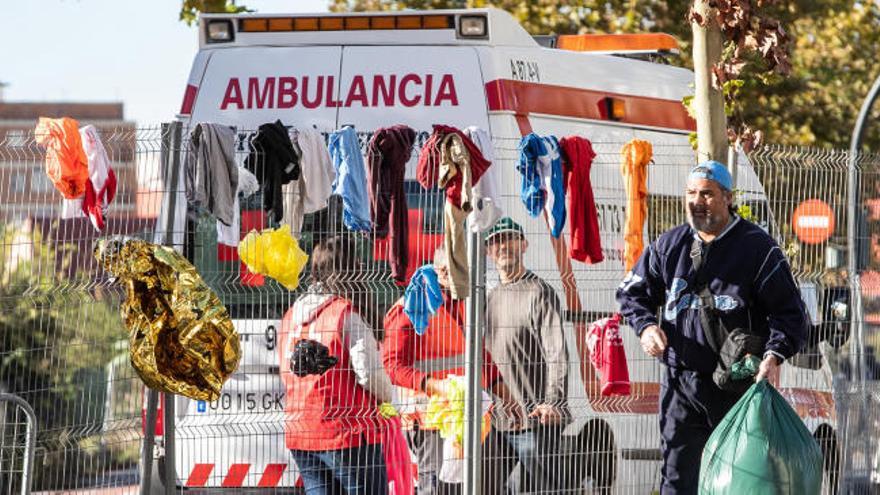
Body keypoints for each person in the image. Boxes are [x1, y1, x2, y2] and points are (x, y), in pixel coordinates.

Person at [616, 161, 809, 494]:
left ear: (727, 197)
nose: (697, 201)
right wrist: (646, 327)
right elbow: (632, 292)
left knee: (737, 480)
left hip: (735, 386)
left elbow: (790, 313)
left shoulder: (758, 249)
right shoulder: (669, 245)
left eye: (706, 193)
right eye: (691, 193)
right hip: (680, 383)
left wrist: (774, 355)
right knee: (677, 479)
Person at [382, 246, 516, 495]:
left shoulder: (462, 302)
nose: (472, 280)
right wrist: (436, 385)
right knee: (439, 490)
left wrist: (505, 394)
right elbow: (391, 365)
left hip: (470, 418)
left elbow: (475, 353)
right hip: (430, 422)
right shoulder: (409, 309)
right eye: (466, 272)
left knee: (486, 483)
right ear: (444, 271)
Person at [279, 235, 394, 495]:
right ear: (350, 270)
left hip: (302, 431)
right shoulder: (344, 313)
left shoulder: (292, 316)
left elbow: (285, 372)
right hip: (346, 431)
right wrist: (390, 397)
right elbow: (368, 373)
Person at [483, 217, 570, 493]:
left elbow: (556, 352)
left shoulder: (539, 291)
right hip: (496, 420)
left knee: (543, 489)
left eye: (509, 238)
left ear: (524, 244)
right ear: (488, 251)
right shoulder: (490, 297)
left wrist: (553, 402)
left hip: (534, 418)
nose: (502, 245)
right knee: (484, 486)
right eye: (495, 241)